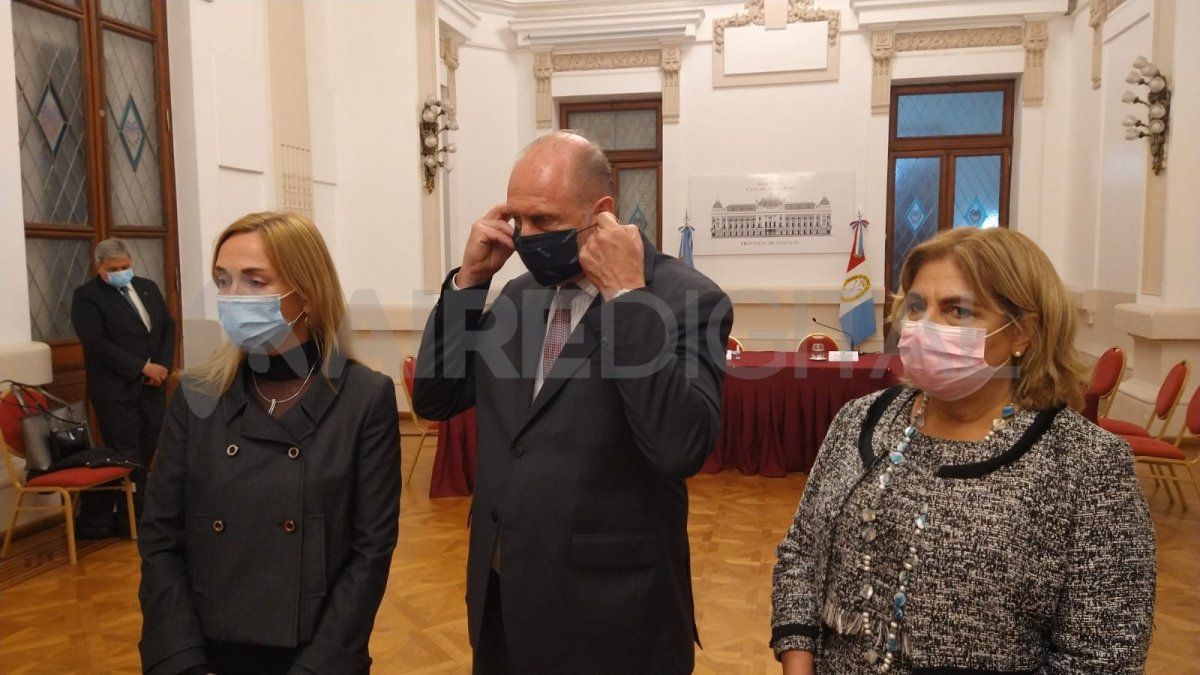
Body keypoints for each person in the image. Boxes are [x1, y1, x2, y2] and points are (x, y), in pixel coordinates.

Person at [414, 131, 733, 674]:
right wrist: (469, 283)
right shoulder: (519, 293)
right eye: (517, 220)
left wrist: (627, 299)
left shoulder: (686, 298)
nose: (525, 237)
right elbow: (437, 396)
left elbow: (679, 446)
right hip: (502, 600)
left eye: (543, 221)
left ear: (601, 212)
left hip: (611, 615)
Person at [770, 227, 1156, 673]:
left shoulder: (1086, 464)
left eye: (956, 310)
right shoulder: (860, 420)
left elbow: (1104, 653)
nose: (923, 326)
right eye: (915, 306)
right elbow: (801, 553)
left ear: (1023, 333)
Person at [138, 212, 400, 675]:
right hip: (208, 651)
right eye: (223, 280)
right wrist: (180, 660)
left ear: (308, 293)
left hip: (310, 652)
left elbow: (370, 550)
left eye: (254, 282)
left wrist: (320, 665)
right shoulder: (196, 394)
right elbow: (160, 538)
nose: (233, 298)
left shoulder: (363, 397)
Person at [71, 238, 175, 538]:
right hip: (115, 390)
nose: (121, 272)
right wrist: (141, 367)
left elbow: (167, 326)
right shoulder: (87, 296)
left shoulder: (147, 287)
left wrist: (162, 367)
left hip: (153, 386)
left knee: (151, 449)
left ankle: (146, 516)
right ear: (99, 268)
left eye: (126, 266)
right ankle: (127, 519)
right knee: (126, 453)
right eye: (113, 268)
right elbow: (97, 344)